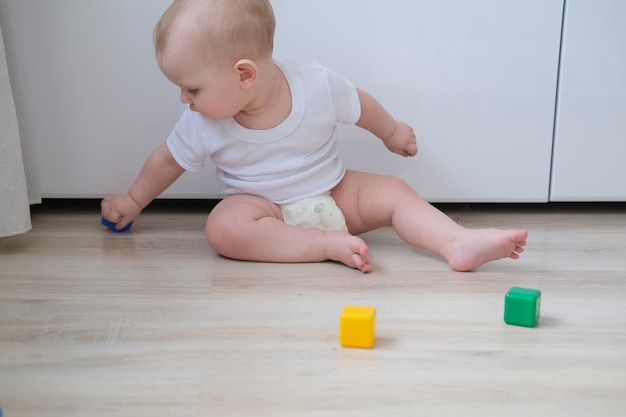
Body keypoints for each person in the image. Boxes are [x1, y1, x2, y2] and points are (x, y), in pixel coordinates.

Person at [101, 0, 527, 273]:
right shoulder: (203, 121)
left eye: (192, 88)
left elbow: (361, 106)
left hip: (334, 192)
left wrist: (392, 131)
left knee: (394, 191)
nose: (183, 99)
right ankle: (324, 245)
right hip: (262, 209)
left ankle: (457, 241)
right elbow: (166, 160)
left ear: (244, 74)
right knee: (224, 227)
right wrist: (134, 199)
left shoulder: (316, 85)